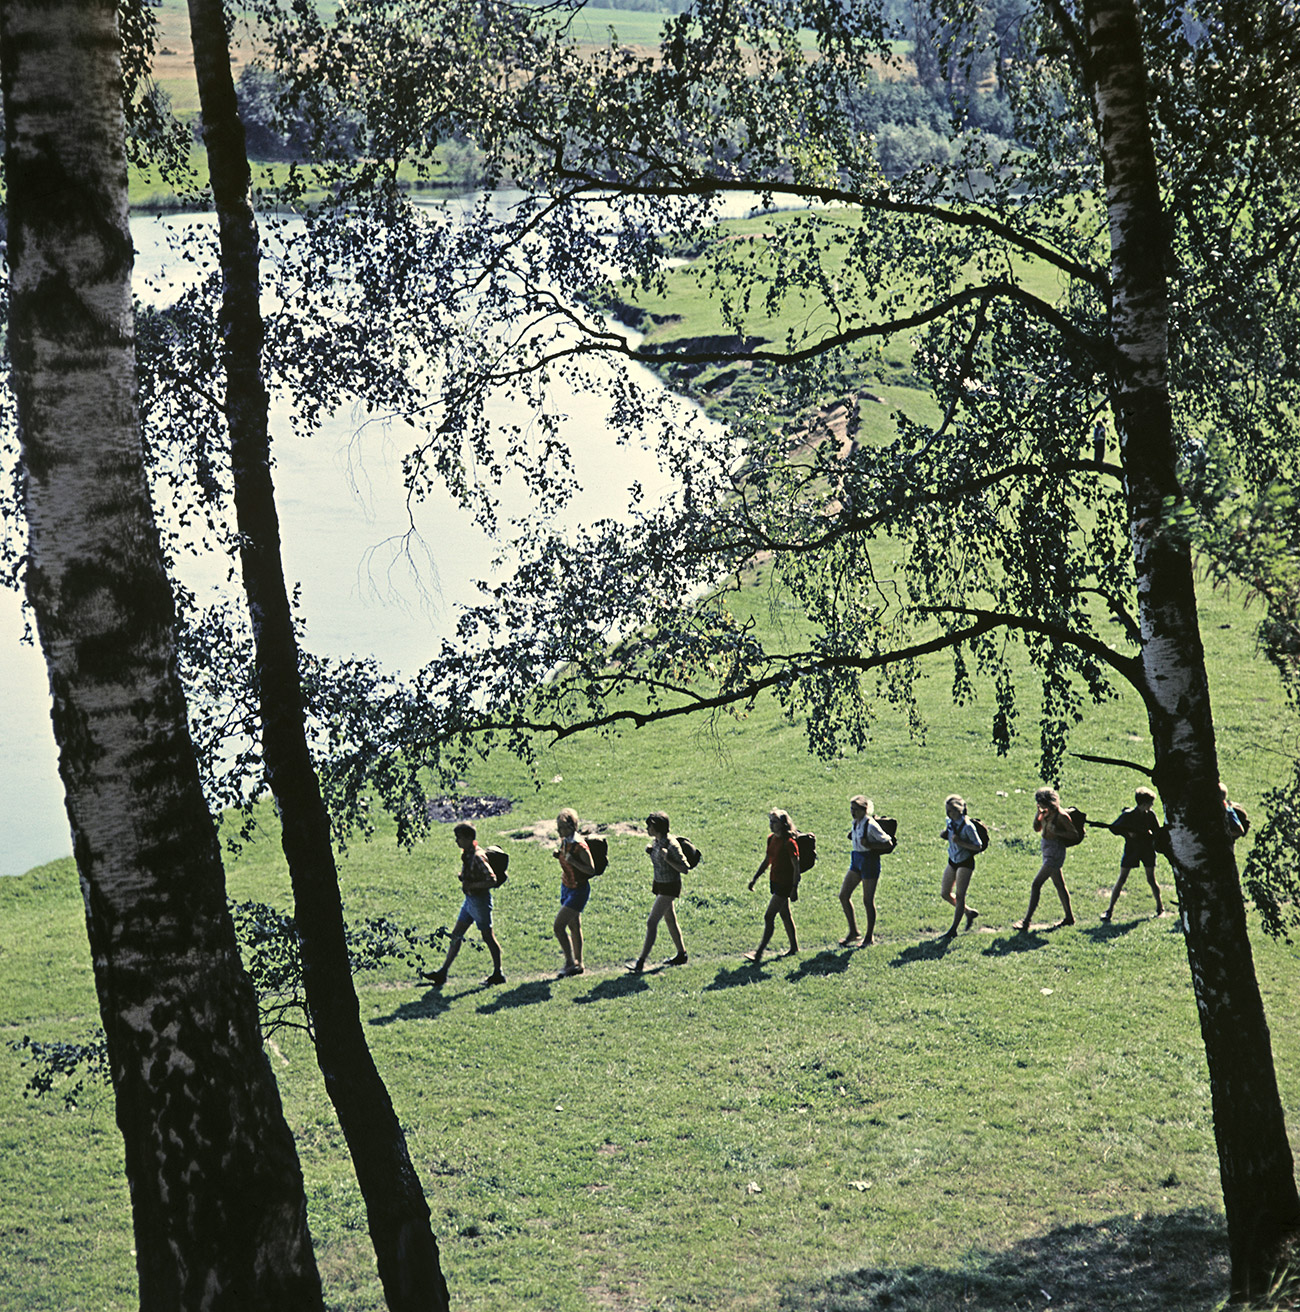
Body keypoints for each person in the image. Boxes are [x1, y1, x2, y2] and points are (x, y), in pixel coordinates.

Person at [422, 822, 505, 987]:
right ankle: (443, 973)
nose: (456, 841)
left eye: (459, 838)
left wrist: (472, 885)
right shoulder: (467, 854)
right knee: (456, 934)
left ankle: (498, 973)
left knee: (488, 937)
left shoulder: (478, 856)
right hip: (470, 902)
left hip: (479, 903)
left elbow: (492, 880)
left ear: (468, 838)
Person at [627, 811, 690, 973]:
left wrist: (668, 858)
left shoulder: (671, 844)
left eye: (649, 826)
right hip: (660, 884)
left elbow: (685, 868)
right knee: (670, 919)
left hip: (669, 887)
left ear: (656, 827)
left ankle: (640, 962)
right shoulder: (657, 841)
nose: (647, 828)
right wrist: (652, 852)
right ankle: (681, 954)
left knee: (651, 922)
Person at [1015, 787, 1077, 930]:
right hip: (1047, 850)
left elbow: (1073, 834)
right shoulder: (1045, 813)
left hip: (1055, 852)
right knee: (1059, 885)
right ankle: (1069, 918)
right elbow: (1037, 828)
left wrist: (1059, 832)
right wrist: (1039, 815)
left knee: (1036, 884)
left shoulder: (1061, 816)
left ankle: (1026, 921)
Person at [745, 809, 801, 963]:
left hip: (785, 885)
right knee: (785, 915)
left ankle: (759, 953)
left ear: (783, 824)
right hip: (775, 882)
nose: (771, 825)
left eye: (774, 822)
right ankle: (794, 947)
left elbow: (796, 867)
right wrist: (755, 878)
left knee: (769, 916)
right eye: (770, 821)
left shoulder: (789, 843)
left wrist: (794, 888)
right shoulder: (771, 839)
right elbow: (767, 860)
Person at [1101, 786, 1164, 920]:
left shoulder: (1150, 815)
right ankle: (1109, 910)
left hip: (1147, 849)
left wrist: (1151, 835)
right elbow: (1114, 828)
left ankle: (1160, 907)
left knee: (1151, 879)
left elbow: (1157, 832)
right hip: (1132, 849)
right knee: (1122, 878)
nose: (1151, 806)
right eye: (1149, 803)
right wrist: (1127, 834)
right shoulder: (1128, 815)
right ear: (1143, 804)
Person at [840, 795, 891, 945]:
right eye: (851, 809)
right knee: (844, 895)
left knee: (867, 901)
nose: (853, 812)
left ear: (864, 810)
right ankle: (854, 932)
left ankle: (869, 937)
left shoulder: (871, 824)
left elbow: (888, 843)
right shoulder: (855, 823)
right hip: (856, 860)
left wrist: (870, 845)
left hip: (869, 861)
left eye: (856, 809)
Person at [552, 807, 596, 976]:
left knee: (558, 926)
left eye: (561, 827)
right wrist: (560, 856)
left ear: (571, 827)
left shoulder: (580, 845)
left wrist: (574, 862)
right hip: (566, 887)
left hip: (578, 890)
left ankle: (570, 962)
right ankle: (579, 964)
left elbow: (591, 869)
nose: (558, 831)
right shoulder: (565, 841)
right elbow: (567, 858)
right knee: (574, 927)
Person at [938, 794, 981, 938]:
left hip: (965, 862)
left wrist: (960, 842)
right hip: (953, 860)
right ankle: (968, 912)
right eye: (948, 811)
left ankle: (953, 930)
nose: (950, 814)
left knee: (960, 895)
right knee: (945, 893)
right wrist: (945, 835)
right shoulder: (949, 822)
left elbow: (978, 846)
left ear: (960, 810)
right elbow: (949, 835)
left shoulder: (968, 826)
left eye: (952, 811)